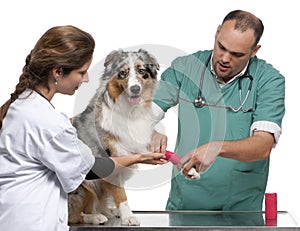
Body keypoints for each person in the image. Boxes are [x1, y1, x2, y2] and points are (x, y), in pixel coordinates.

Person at [0, 25, 166, 231]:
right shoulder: (50, 123)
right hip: (33, 223)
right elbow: (92, 169)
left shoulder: (22, 105)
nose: (86, 79)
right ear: (58, 72)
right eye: (82, 72)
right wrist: (139, 158)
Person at [153, 10, 285, 211]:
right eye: (221, 47)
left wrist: (217, 147)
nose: (224, 58)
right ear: (216, 33)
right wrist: (149, 129)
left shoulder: (269, 80)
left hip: (240, 210)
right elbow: (143, 114)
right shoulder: (185, 67)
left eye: (237, 54)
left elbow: (263, 145)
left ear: (254, 50)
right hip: (185, 205)